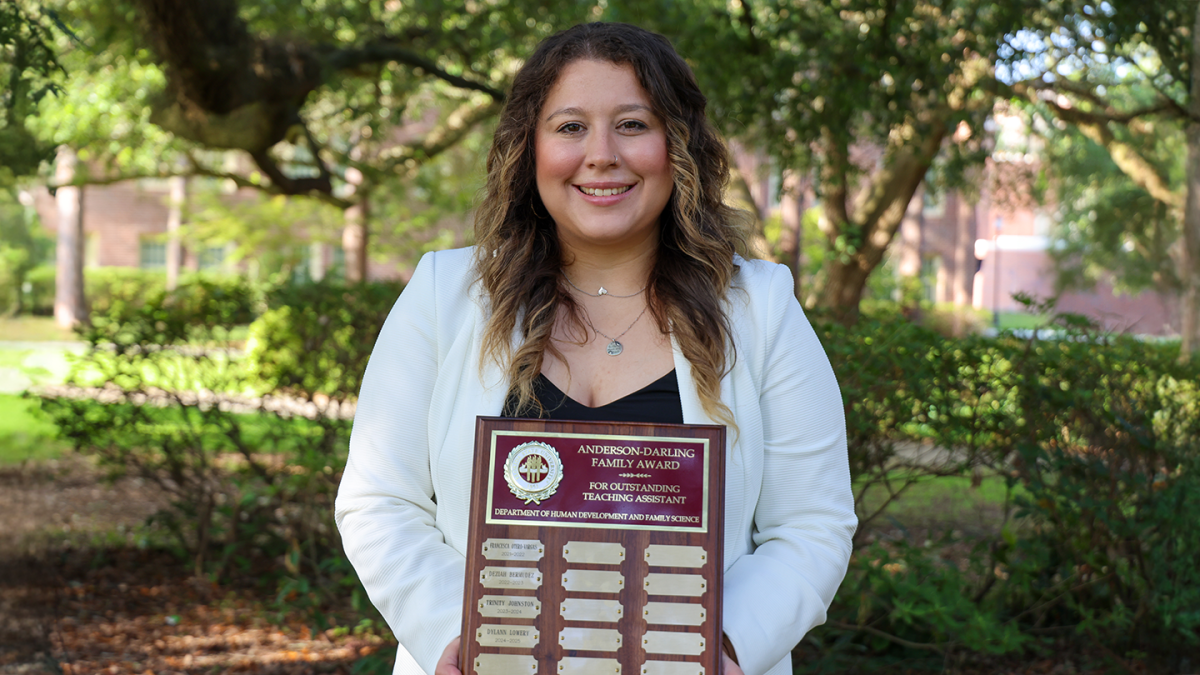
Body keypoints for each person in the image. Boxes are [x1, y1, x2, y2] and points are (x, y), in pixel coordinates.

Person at [334, 22, 856, 675]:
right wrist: (456, 636)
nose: (602, 154)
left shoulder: (762, 309)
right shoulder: (445, 294)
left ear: (679, 146)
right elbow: (381, 500)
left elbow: (811, 526)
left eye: (633, 124)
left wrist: (722, 649)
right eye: (570, 126)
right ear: (529, 149)